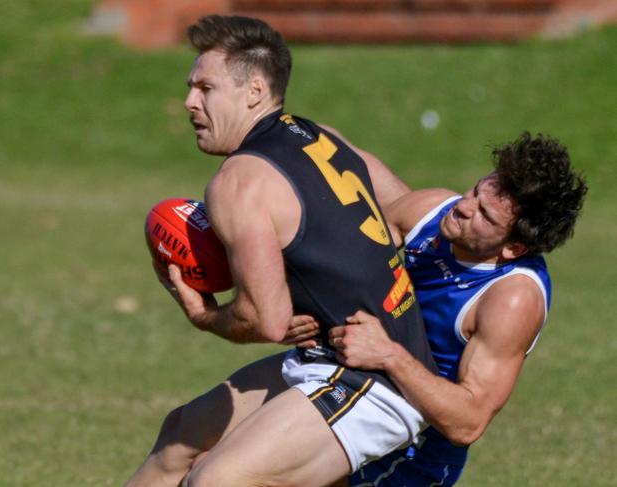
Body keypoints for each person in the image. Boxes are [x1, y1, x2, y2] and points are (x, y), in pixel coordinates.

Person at [126, 14, 437, 487]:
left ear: (253, 91)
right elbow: (405, 211)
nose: (189, 102)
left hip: (376, 384)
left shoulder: (238, 182)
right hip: (328, 359)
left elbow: (264, 322)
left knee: (215, 481)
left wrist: (203, 315)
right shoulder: (319, 135)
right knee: (181, 436)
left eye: (204, 89)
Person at [334, 132, 587, 486]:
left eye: (484, 214)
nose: (464, 207)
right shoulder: (435, 213)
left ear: (514, 247)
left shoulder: (512, 299)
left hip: (409, 457)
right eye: (475, 191)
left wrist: (388, 355)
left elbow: (468, 422)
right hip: (349, 394)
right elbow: (350, 237)